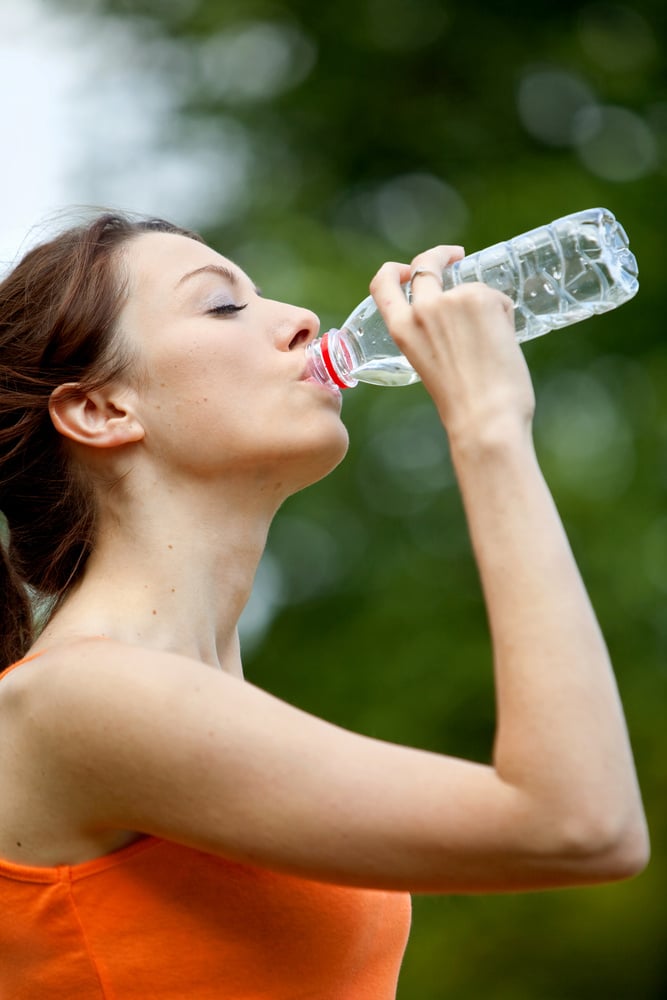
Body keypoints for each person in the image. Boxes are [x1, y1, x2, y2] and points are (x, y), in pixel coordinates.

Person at [0, 212, 649, 998]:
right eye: (222, 306)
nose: (302, 318)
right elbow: (580, 825)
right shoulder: (83, 698)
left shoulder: (205, 709)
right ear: (101, 411)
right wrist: (486, 427)